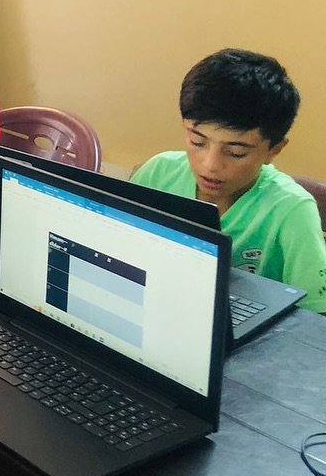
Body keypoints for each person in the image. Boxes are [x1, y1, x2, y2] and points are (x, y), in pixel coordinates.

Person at [131, 48, 326, 313]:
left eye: (236, 152)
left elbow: (315, 319)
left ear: (274, 149)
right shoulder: (158, 173)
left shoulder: (291, 210)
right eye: (197, 141)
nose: (210, 166)